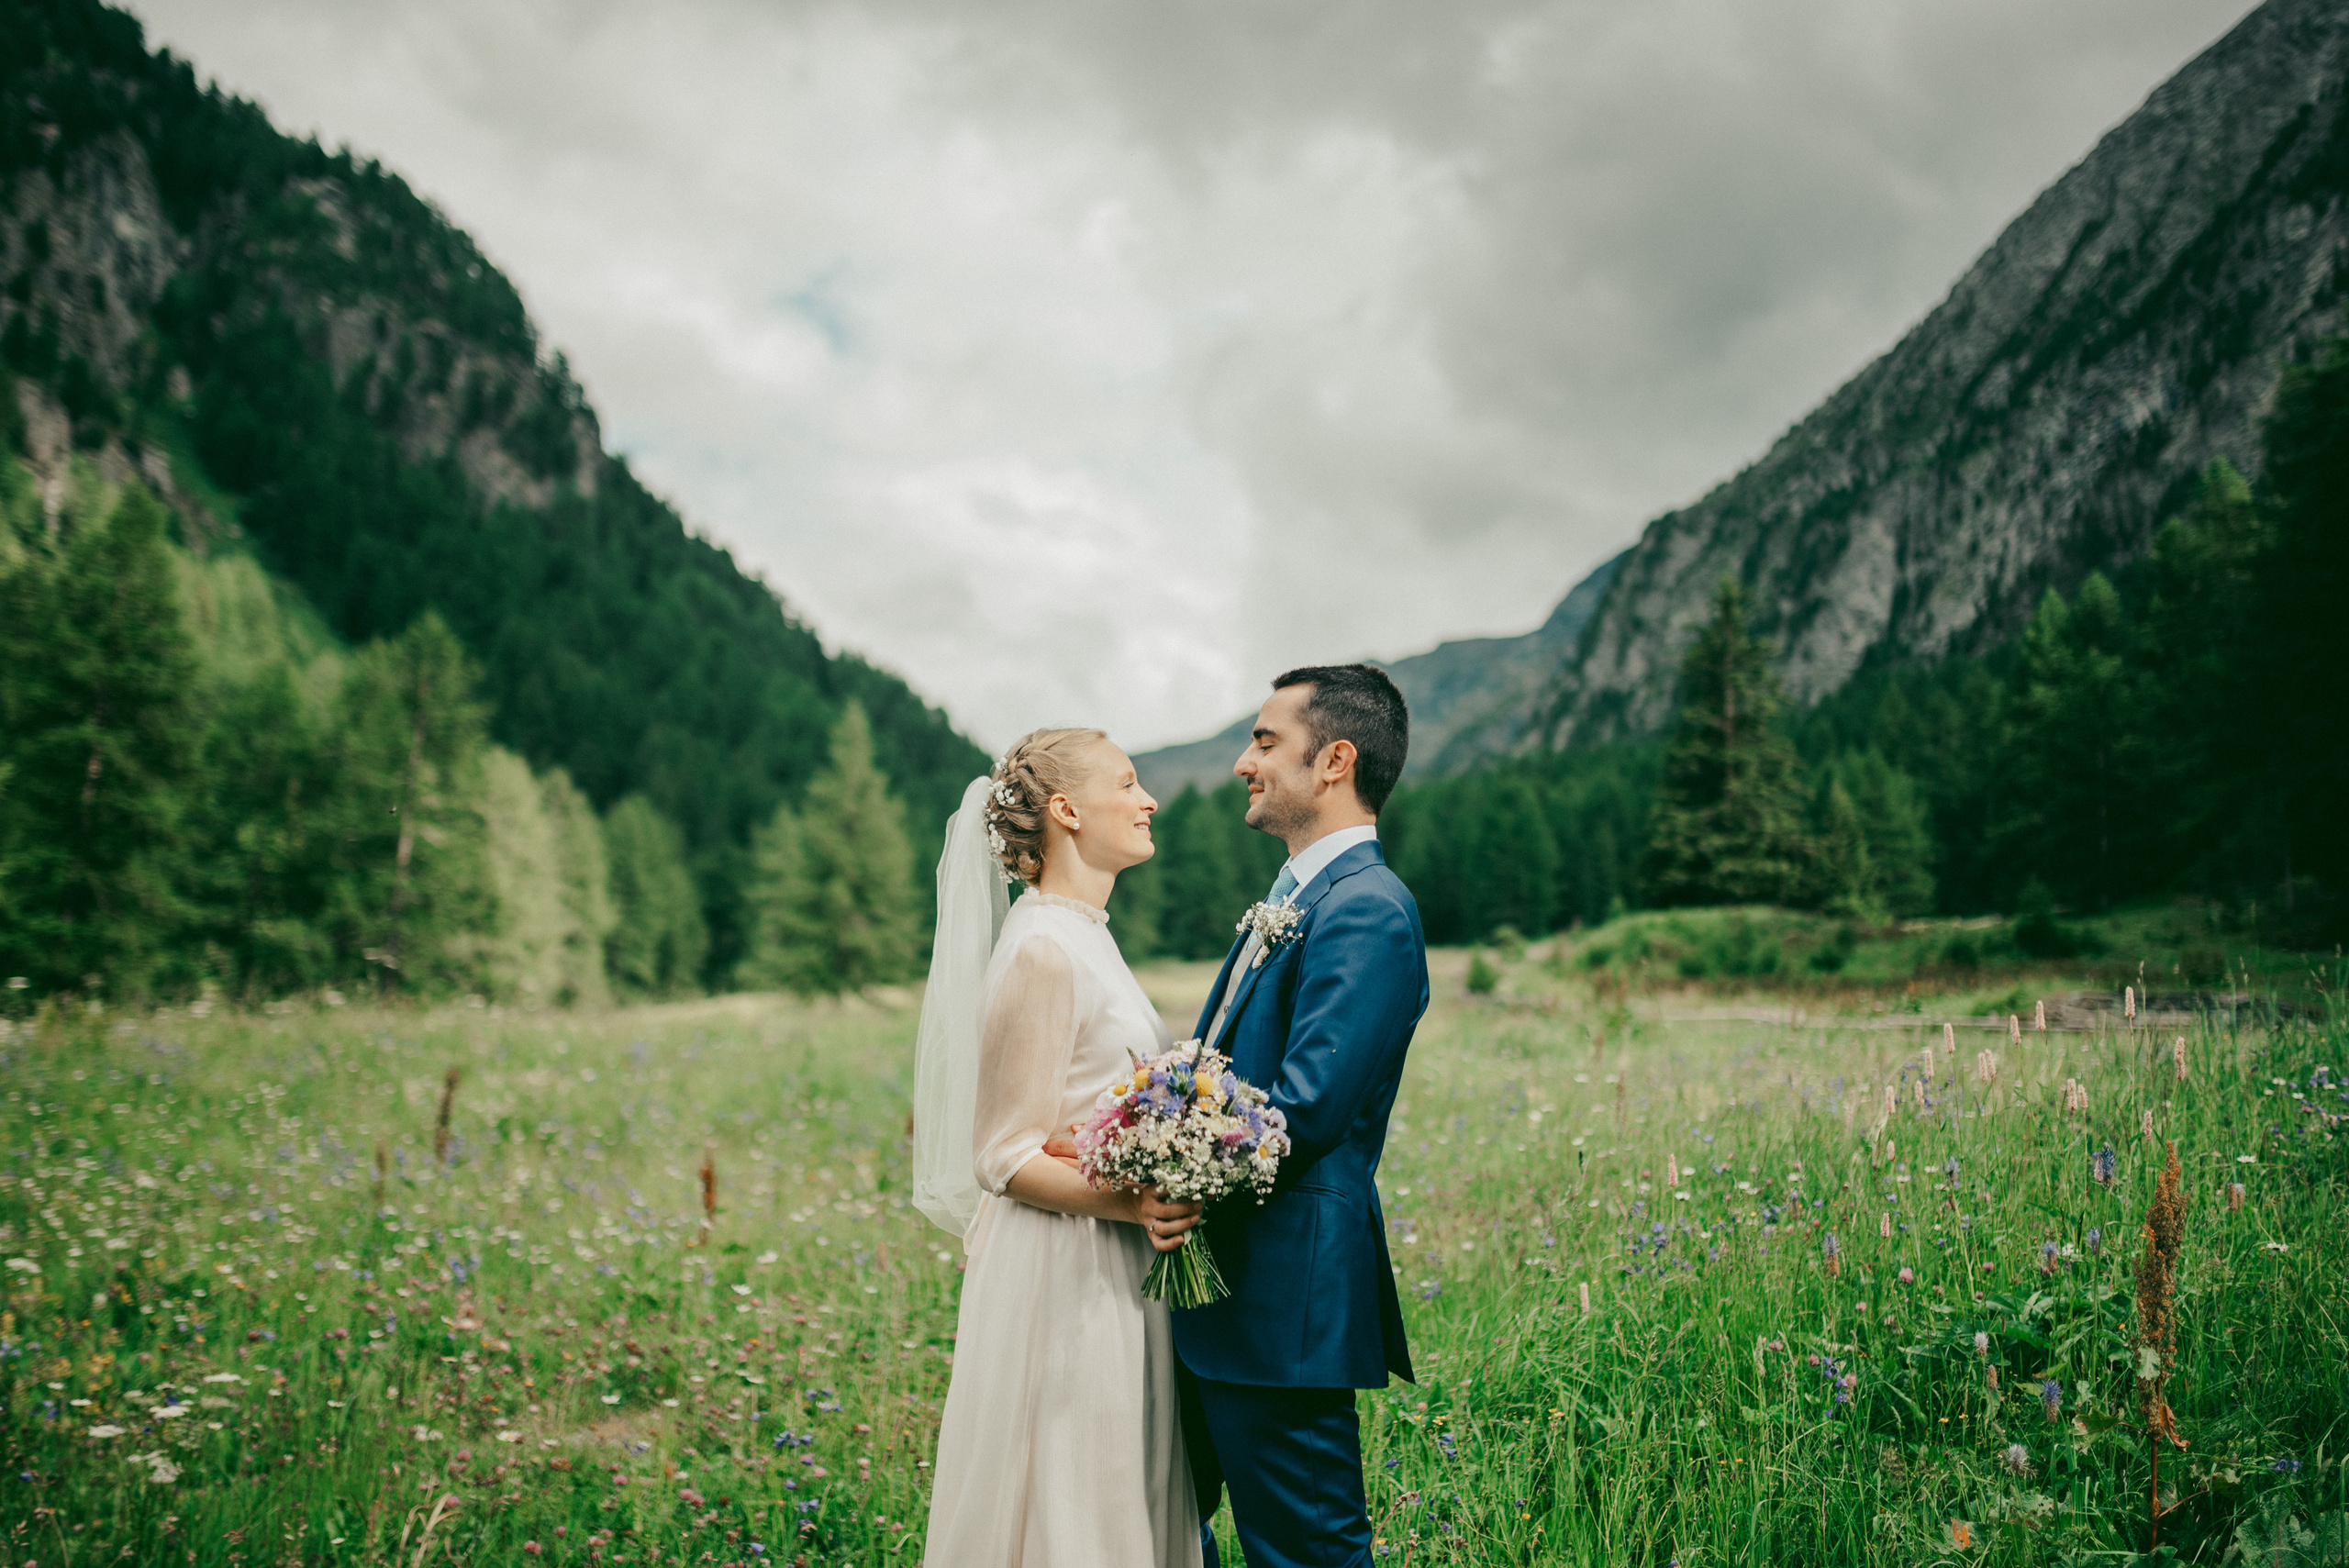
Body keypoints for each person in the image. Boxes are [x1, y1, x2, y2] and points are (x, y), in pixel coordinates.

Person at [913, 728, 1206, 1568]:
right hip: (1063, 1272)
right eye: (1129, 781)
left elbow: (1077, 1113)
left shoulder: (1085, 932)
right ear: (1067, 811)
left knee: (1117, 1485)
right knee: (1073, 1495)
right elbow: (1001, 1154)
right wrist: (1136, 1199)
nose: (1148, 800)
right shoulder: (1041, 946)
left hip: (1111, 1261)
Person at [1162, 663, 1430, 1568]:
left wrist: (1148, 1157)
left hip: (1284, 1305)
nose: (1244, 761)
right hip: (1217, 1299)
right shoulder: (1290, 899)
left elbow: (1304, 1110)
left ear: (1334, 760)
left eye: (1265, 740)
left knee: (1307, 1553)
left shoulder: (1367, 908)